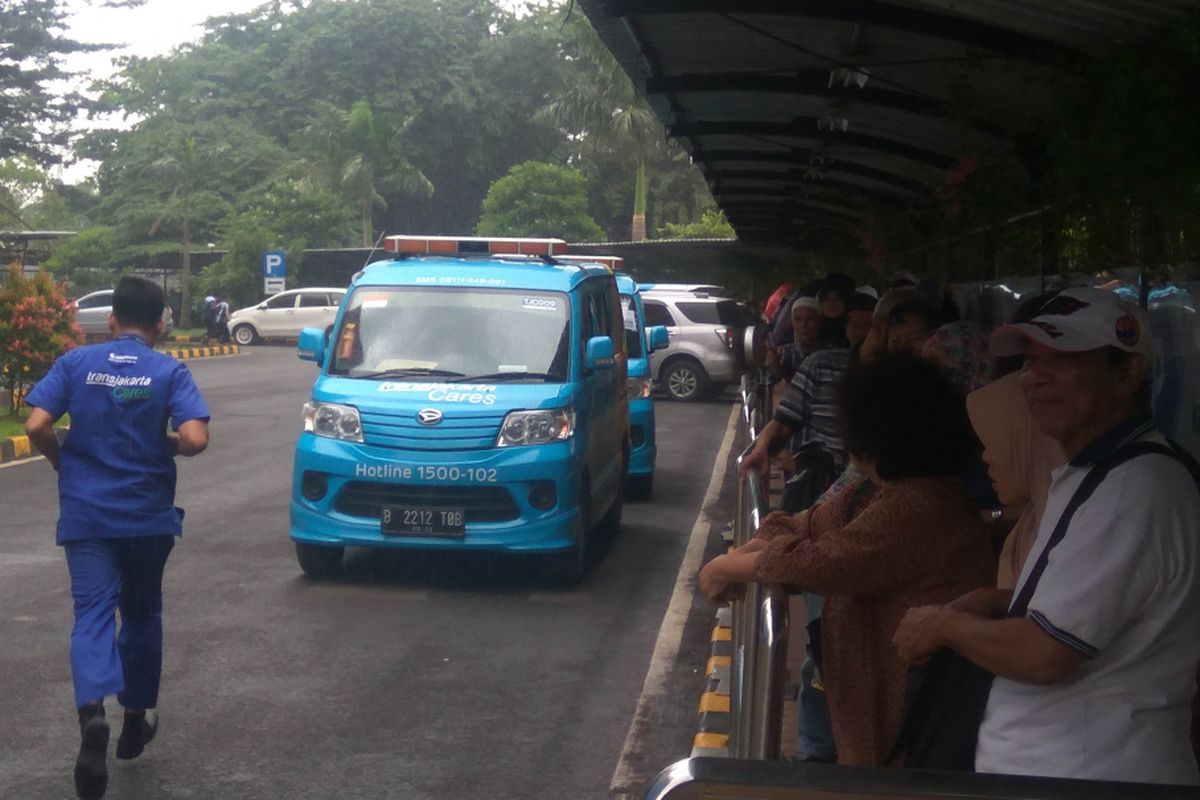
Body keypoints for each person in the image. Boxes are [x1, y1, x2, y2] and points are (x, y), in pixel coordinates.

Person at [893, 287, 1200, 785]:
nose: (1035, 379)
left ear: (1127, 373)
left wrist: (943, 625)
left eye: (1063, 361)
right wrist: (1000, 600)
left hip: (1087, 775)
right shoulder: (1097, 470)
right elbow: (1112, 606)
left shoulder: (1132, 490)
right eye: (1031, 362)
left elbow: (1046, 655)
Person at [702, 353, 995, 766]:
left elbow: (821, 562)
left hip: (909, 735)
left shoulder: (923, 505)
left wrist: (723, 567)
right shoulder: (876, 492)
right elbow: (802, 525)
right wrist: (750, 553)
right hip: (875, 724)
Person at [24, 277, 211, 800]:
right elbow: (196, 438)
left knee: (92, 614)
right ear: (159, 324)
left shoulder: (76, 364)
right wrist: (170, 442)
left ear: (111, 321)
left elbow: (37, 423)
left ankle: (92, 716)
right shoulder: (170, 370)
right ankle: (136, 714)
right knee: (144, 613)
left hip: (86, 515)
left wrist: (65, 464)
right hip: (147, 518)